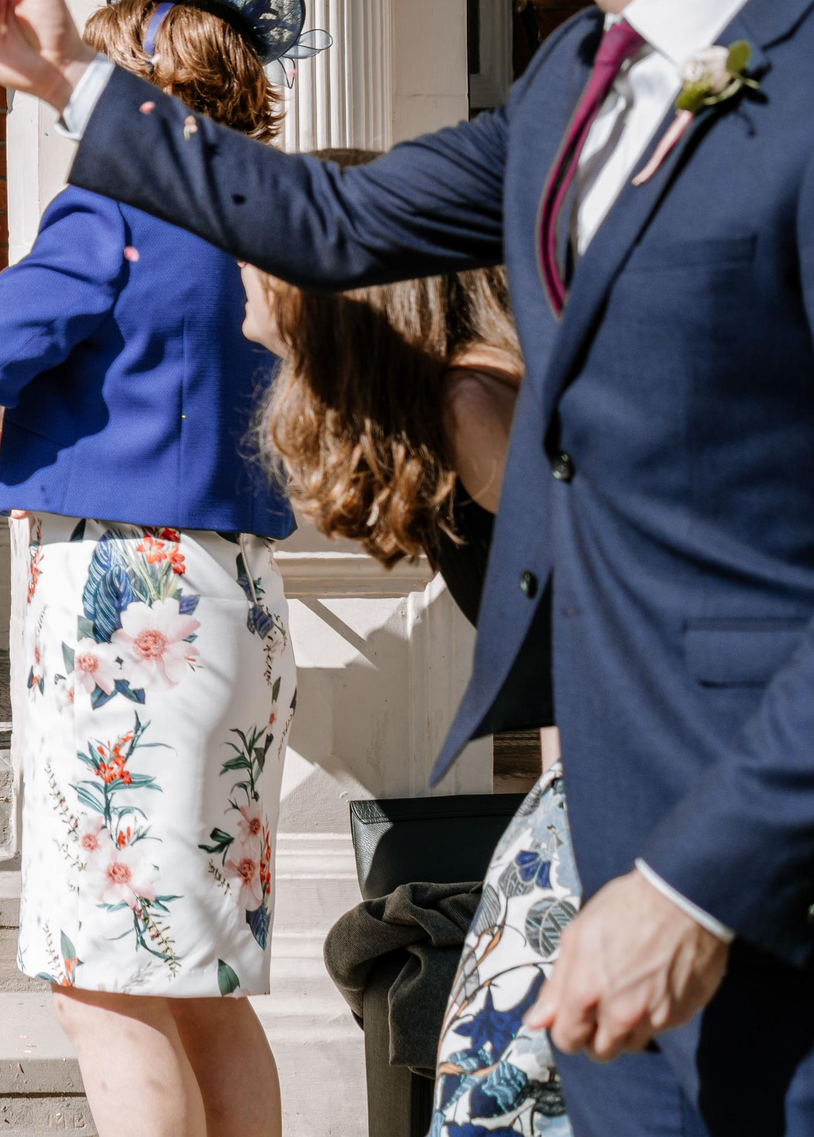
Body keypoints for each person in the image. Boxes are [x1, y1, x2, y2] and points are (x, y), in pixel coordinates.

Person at [0, 0, 814, 1135]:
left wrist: (703, 877)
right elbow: (333, 218)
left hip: (776, 870)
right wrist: (74, 77)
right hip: (615, 859)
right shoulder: (576, 81)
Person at [0, 0, 300, 1137]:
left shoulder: (112, 206)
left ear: (131, 68)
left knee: (104, 978)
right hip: (237, 598)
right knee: (204, 977)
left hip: (127, 606)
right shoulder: (266, 215)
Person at [240, 237, 568, 1133]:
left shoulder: (475, 403)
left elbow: (603, 616)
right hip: (596, 771)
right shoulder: (443, 414)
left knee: (508, 1076)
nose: (236, 281)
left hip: (657, 760)